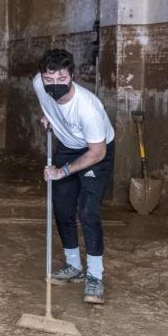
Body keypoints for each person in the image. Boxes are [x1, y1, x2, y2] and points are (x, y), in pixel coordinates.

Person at [33, 49, 115, 305]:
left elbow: (97, 152)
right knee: (62, 208)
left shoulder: (87, 107)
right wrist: (49, 117)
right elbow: (47, 103)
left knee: (88, 212)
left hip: (96, 150)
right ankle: (73, 267)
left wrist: (63, 171)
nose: (55, 85)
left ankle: (95, 276)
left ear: (72, 77)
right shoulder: (38, 83)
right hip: (68, 146)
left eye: (62, 80)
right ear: (42, 77)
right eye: (50, 80)